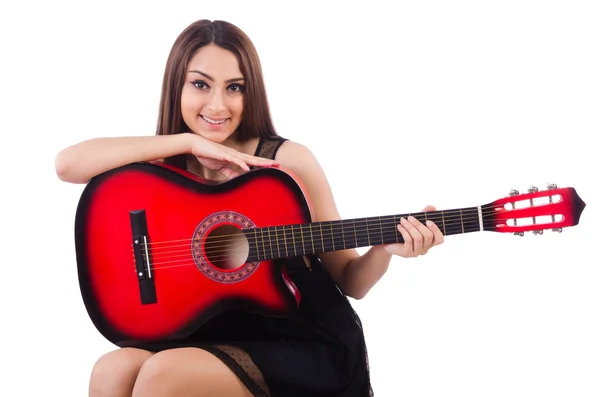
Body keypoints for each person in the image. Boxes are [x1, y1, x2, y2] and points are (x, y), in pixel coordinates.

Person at [55, 19, 444, 397]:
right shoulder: (163, 170)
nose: (217, 104)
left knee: (163, 375)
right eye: (200, 84)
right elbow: (67, 164)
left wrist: (385, 248)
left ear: (250, 91)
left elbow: (351, 282)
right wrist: (186, 144)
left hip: (297, 339)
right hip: (202, 333)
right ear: (177, 86)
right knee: (111, 371)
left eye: (234, 87)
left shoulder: (287, 162)